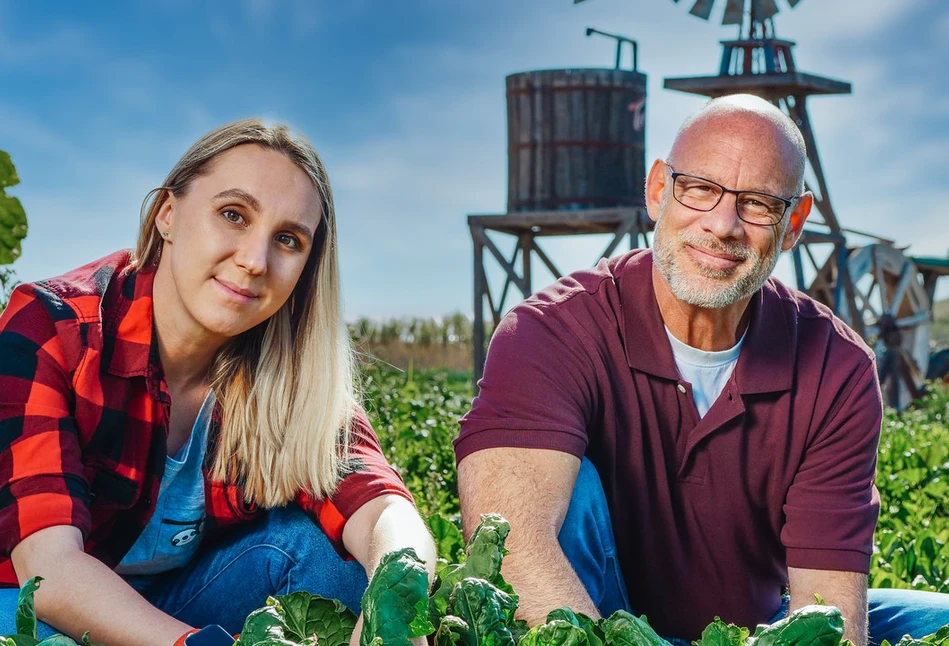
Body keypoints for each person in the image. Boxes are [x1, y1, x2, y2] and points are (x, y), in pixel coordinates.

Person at [455, 94, 949, 646]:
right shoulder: (549, 333)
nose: (723, 225)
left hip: (749, 631)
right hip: (593, 620)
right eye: (699, 189)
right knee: (570, 495)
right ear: (658, 190)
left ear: (793, 224)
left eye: (759, 203)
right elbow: (515, 547)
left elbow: (827, 608)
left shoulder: (837, 367)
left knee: (938, 618)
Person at [0, 119, 436, 646]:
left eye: (288, 240)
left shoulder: (287, 371)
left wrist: (400, 585)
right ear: (167, 213)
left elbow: (383, 506)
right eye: (233, 215)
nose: (255, 261)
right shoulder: (54, 328)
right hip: (29, 594)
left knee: (332, 562)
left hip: (172, 599)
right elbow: (49, 570)